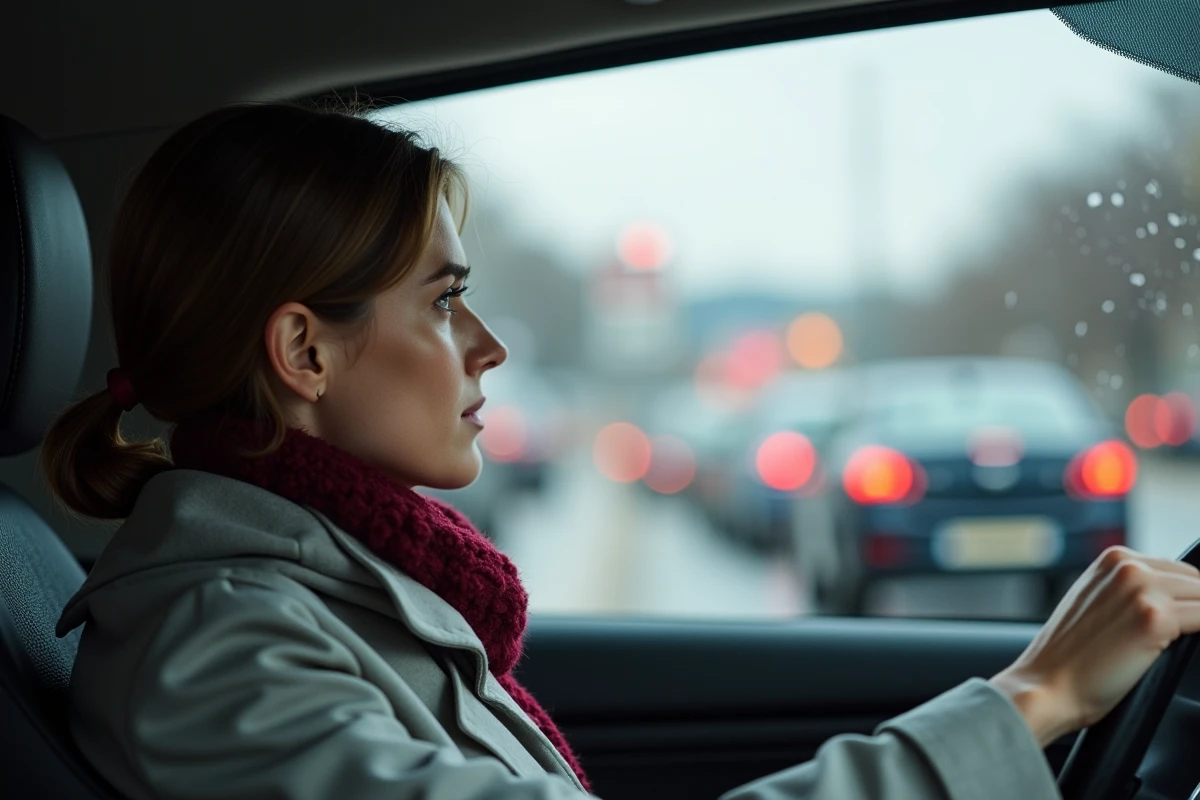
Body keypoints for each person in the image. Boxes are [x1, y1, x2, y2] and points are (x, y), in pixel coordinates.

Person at [42, 103, 1200, 800]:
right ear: (304, 348)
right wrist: (1029, 694)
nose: (489, 347)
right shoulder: (221, 645)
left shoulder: (311, 592)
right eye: (445, 302)